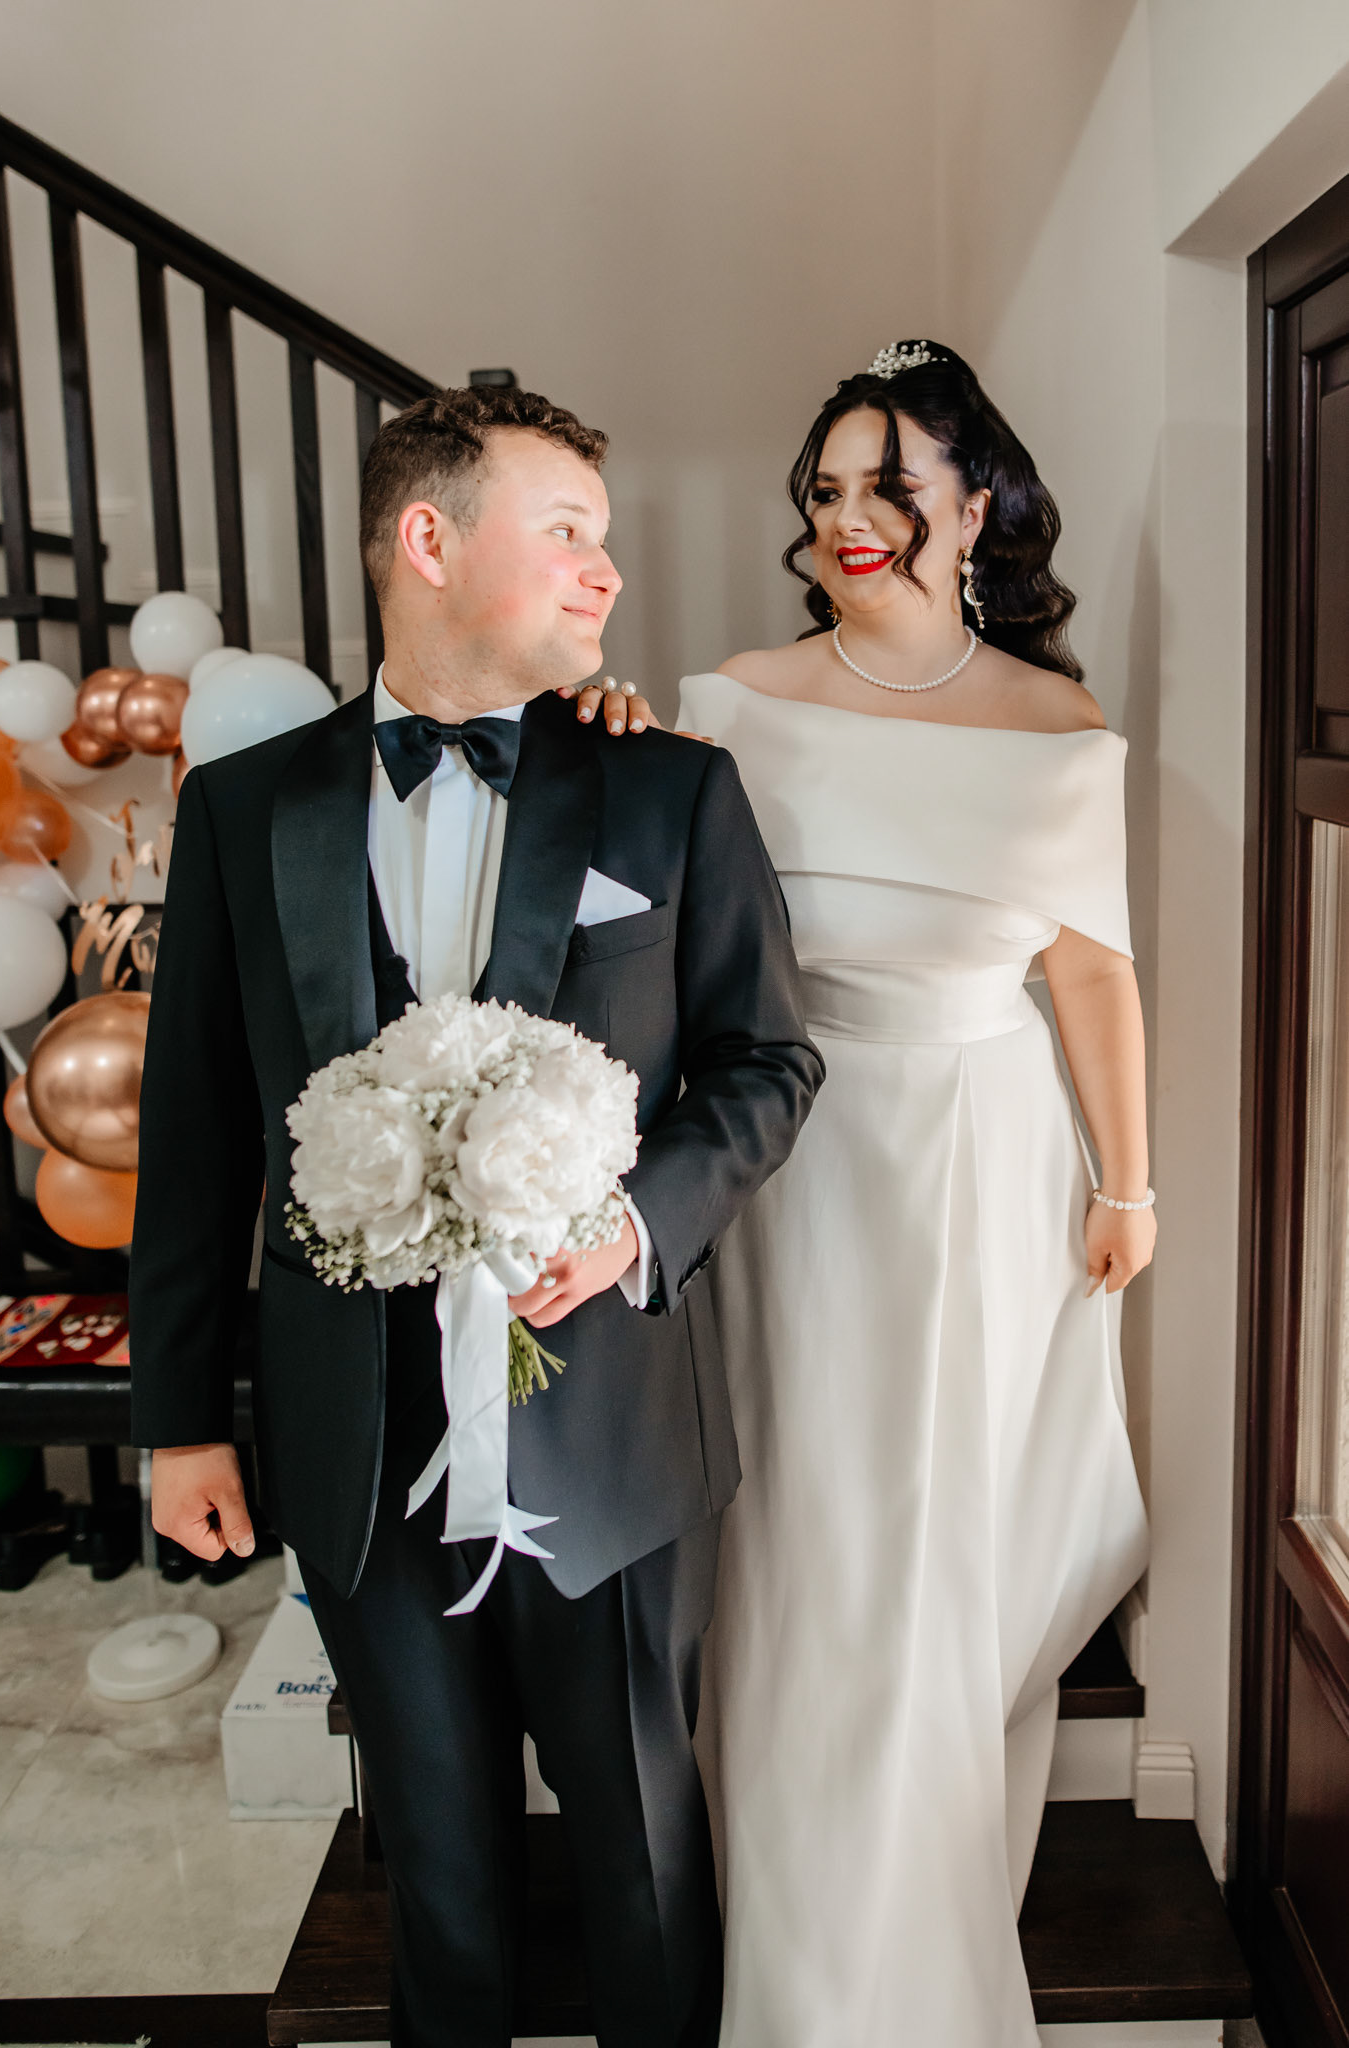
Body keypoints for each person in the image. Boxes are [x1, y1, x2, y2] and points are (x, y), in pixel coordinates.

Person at [127, 386, 823, 2048]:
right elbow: (197, 1134)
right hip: (356, 1445)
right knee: (436, 1889)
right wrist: (182, 1421)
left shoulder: (669, 791)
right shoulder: (245, 809)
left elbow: (768, 1062)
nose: (608, 571)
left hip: (611, 1440)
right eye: (566, 529)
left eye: (603, 536)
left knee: (644, 1861)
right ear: (429, 540)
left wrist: (635, 1225)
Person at [570, 341, 1152, 2046]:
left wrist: (1132, 1184)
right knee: (810, 1527)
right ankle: (809, 1935)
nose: (852, 517)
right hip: (798, 1159)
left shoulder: (1059, 727)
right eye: (827, 489)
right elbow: (658, 916)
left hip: (987, 1155)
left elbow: (1093, 973)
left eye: (890, 485)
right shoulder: (736, 702)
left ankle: (920, 1868)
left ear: (975, 508)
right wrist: (620, 751)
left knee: (942, 1526)